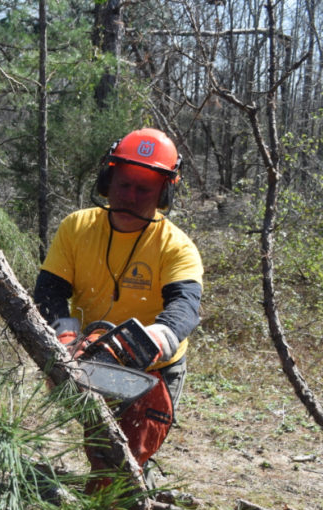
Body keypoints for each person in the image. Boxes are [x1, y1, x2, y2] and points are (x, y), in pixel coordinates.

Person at [32, 128, 203, 489]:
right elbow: (49, 290)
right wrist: (66, 336)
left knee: (131, 456)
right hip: (89, 356)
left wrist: (153, 339)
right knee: (101, 445)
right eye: (124, 184)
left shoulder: (177, 247)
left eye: (144, 189)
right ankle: (113, 503)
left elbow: (184, 306)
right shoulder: (77, 228)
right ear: (108, 180)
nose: (131, 197)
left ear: (164, 193)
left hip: (154, 369)